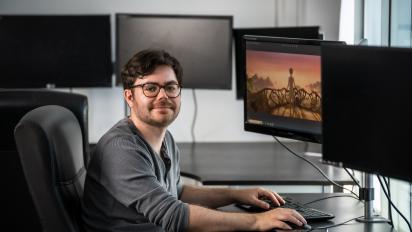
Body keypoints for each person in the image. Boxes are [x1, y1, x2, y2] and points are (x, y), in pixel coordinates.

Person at [82, 49, 307, 232]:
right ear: (130, 96)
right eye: (150, 88)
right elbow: (174, 215)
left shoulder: (165, 139)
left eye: (171, 87)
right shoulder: (121, 148)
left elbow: (177, 192)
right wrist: (257, 222)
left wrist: (236, 194)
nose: (163, 96)